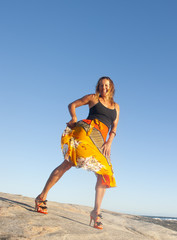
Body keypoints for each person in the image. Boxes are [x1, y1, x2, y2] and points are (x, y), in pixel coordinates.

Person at [35, 76, 120, 230]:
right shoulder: (93, 98)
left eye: (106, 85)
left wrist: (109, 142)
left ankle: (96, 212)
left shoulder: (116, 107)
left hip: (101, 141)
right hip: (86, 133)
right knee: (68, 163)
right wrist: (74, 117)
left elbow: (114, 127)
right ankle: (42, 198)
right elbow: (72, 104)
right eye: (100, 85)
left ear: (111, 87)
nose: (103, 88)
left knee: (105, 174)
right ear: (98, 87)